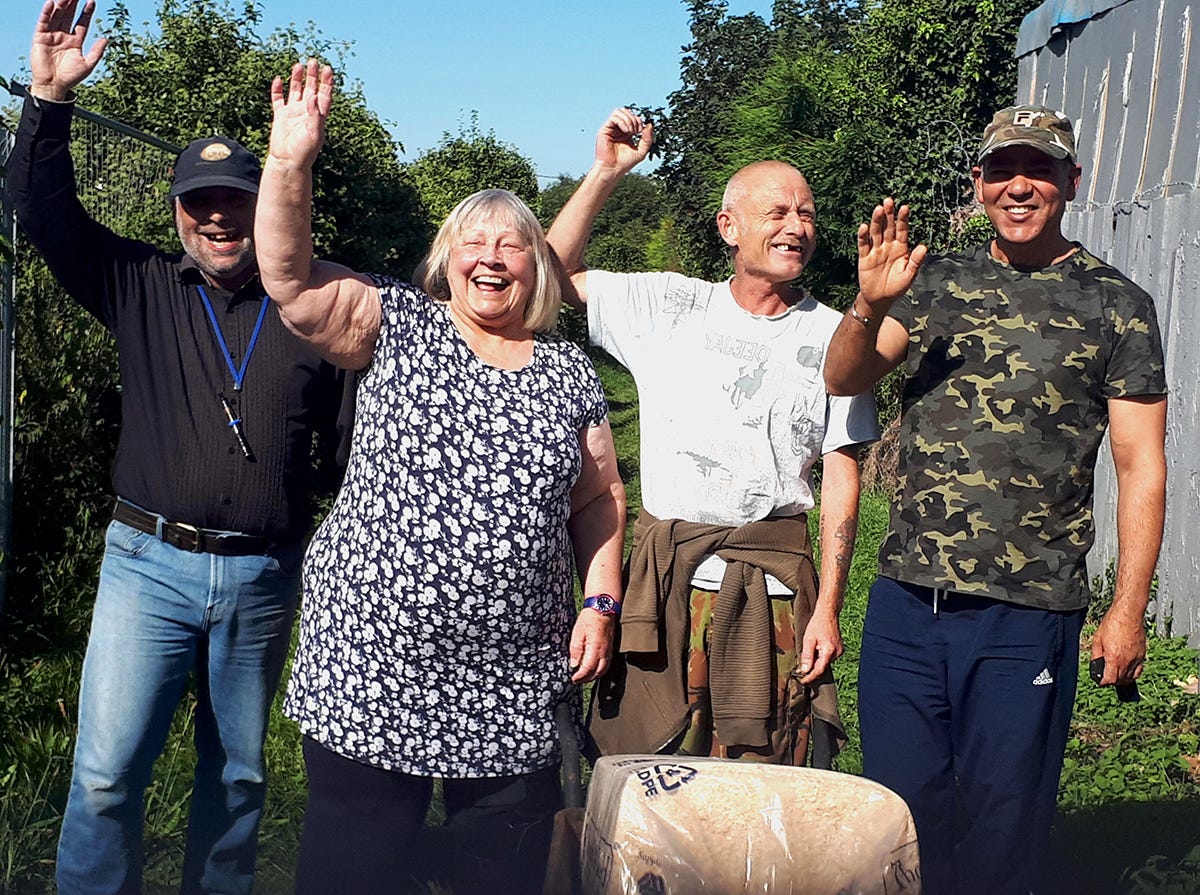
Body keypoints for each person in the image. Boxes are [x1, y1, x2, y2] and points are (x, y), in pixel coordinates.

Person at [253, 61, 626, 895]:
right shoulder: (398, 322)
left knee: (501, 875)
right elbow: (288, 281)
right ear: (446, 257)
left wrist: (600, 600)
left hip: (510, 688)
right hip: (370, 672)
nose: (492, 258)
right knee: (354, 870)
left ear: (540, 268)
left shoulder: (567, 371)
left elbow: (600, 498)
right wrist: (289, 163)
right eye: (475, 241)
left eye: (513, 245)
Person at [7, 3, 350, 893]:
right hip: (145, 566)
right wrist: (47, 99)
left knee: (238, 780)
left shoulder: (313, 307)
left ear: (259, 204)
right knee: (106, 774)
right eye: (199, 206)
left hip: (264, 576)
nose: (218, 220)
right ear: (179, 215)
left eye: (235, 200)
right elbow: (42, 211)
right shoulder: (138, 284)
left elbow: (357, 443)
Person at [824, 106, 1168, 895]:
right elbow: (844, 377)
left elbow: (1140, 463)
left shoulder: (1117, 304)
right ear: (978, 184)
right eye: (1002, 169)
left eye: (1039, 170)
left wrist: (1129, 606)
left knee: (1003, 828)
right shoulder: (931, 282)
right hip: (910, 604)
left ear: (1071, 183)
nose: (1019, 186)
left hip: (1029, 610)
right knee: (898, 821)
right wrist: (871, 303)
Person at [545, 109, 878, 766]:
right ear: (730, 227)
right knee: (647, 773)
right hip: (665, 590)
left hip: (775, 591)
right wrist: (607, 172)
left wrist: (829, 607)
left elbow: (841, 471)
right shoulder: (670, 305)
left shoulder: (840, 338)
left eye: (806, 215)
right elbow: (550, 274)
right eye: (777, 212)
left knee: (766, 777)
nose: (796, 227)